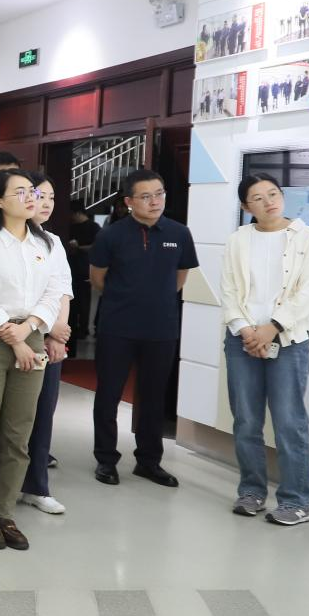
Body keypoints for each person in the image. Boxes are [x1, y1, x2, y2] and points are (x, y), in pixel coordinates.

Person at [0, 169, 67, 551]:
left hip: (31, 333)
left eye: (32, 191)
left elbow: (54, 292)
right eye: (20, 192)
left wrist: (31, 328)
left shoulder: (47, 243)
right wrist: (15, 338)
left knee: (19, 432)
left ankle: (5, 511)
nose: (31, 197)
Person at [221, 173, 309, 525]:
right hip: (243, 340)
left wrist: (272, 327)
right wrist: (247, 331)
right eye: (258, 197)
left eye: (273, 193)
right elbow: (229, 291)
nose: (269, 201)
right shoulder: (238, 239)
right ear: (245, 206)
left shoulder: (307, 237)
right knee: (246, 420)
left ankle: (296, 501)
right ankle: (251, 491)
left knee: (289, 421)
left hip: (289, 339)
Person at [89, 169, 198, 488]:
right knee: (108, 394)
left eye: (159, 194)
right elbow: (98, 278)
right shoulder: (111, 235)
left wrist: (156, 300)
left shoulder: (179, 233)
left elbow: (180, 276)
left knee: (153, 397)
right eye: (146, 196)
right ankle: (106, 459)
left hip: (161, 328)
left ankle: (149, 461)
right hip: (117, 326)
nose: (155, 201)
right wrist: (126, 299)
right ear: (129, 201)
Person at [18, 172, 74, 516]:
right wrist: (46, 327)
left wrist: (57, 333)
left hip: (48, 336)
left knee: (43, 412)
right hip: (17, 334)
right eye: (39, 196)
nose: (46, 204)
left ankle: (36, 486)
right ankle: (0, 484)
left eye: (51, 197)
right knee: (10, 417)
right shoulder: (1, 239)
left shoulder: (53, 241)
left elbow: (62, 290)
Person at [66, 207, 99, 339]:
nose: (70, 217)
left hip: (86, 268)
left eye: (72, 214)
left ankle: (83, 329)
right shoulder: (72, 227)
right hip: (72, 268)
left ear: (78, 212)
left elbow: (97, 247)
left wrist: (79, 247)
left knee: (84, 300)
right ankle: (73, 328)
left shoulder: (94, 227)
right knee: (72, 300)